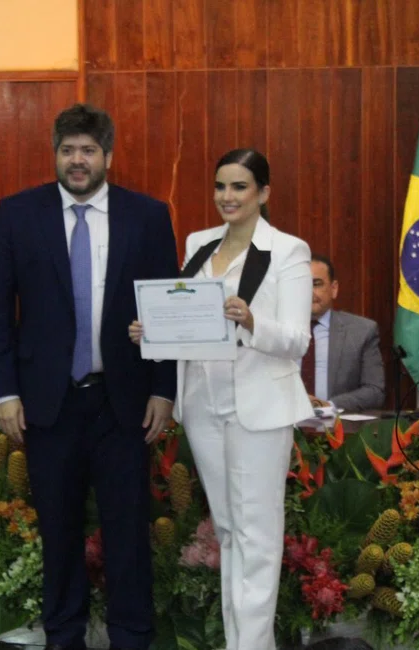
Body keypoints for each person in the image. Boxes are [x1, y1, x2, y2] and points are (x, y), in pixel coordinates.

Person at [0, 104, 178, 650]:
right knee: (59, 533)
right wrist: (6, 392)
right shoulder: (19, 214)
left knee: (127, 532)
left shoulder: (148, 216)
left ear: (108, 156)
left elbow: (167, 308)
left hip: (125, 406)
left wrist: (164, 388)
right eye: (68, 150)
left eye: (88, 150)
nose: (78, 160)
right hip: (48, 404)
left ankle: (131, 636)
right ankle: (63, 636)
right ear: (56, 155)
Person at [131, 149, 312, 650]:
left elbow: (297, 339)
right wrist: (151, 331)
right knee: (230, 532)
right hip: (204, 404)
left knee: (256, 538)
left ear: (264, 193)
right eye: (220, 187)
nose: (227, 197)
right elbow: (185, 319)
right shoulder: (198, 243)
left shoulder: (288, 251)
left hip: (260, 406)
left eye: (240, 187)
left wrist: (251, 320)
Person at [303, 254, 384, 413]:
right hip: (285, 428)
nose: (308, 292)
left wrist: (327, 406)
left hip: (340, 428)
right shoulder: (278, 331)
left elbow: (374, 391)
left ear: (334, 289)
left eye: (316, 284)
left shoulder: (362, 331)